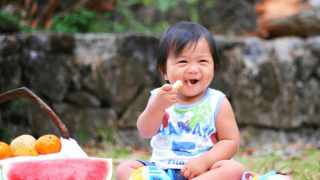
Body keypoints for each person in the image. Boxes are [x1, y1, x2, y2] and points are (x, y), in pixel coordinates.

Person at [116, 21, 246, 180]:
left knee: (234, 169)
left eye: (202, 61)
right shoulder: (158, 97)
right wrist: (157, 107)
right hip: (161, 170)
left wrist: (204, 161)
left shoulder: (217, 101)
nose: (193, 69)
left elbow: (230, 141)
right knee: (124, 168)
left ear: (214, 66)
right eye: (183, 61)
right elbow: (145, 132)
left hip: (203, 171)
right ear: (164, 71)